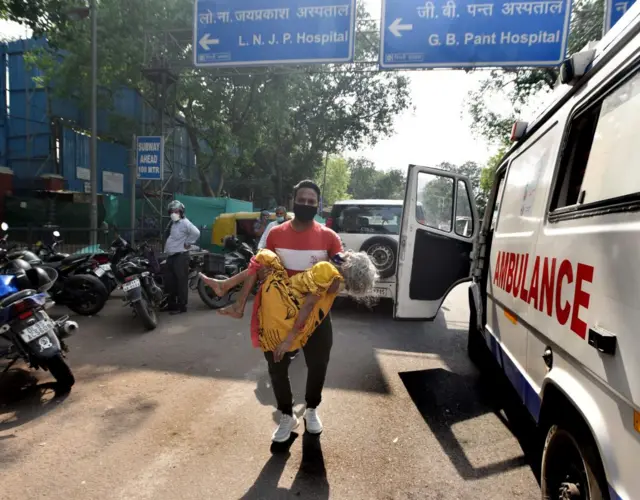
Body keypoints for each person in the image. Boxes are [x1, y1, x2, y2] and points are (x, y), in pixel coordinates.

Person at [163, 200, 200, 315]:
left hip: (180, 256)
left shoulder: (185, 223)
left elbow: (196, 232)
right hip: (171, 256)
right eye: (171, 211)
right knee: (170, 282)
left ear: (181, 212)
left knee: (181, 282)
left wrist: (188, 242)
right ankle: (171, 305)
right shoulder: (174, 223)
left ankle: (182, 306)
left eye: (176, 211)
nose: (173, 213)